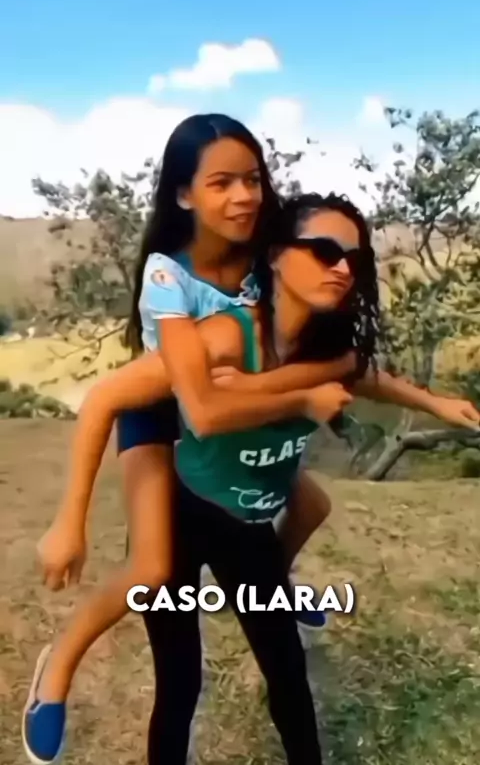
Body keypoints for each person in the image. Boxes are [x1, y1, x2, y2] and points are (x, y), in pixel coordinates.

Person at [27, 183, 480, 763]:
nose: (343, 268)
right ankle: (57, 672)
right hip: (183, 510)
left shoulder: (330, 348)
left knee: (288, 673)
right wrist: (70, 523)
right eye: (324, 251)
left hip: (248, 523)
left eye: (355, 258)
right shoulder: (223, 335)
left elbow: (367, 376)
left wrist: (437, 403)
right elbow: (106, 398)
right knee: (180, 683)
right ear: (276, 256)